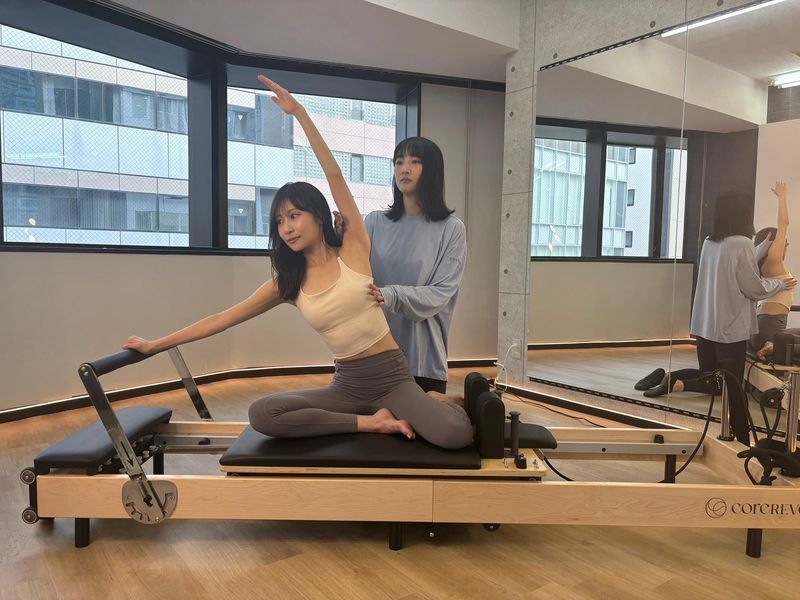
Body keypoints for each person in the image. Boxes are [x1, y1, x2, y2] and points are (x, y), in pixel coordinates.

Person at [123, 75, 473, 450]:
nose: (286, 228)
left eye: (294, 216)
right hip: (347, 386)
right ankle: (372, 422)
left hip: (391, 378)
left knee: (456, 435)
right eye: (279, 221)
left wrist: (300, 114)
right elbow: (221, 319)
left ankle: (438, 401)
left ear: (318, 216)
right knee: (263, 413)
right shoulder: (288, 284)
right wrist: (155, 345)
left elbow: (334, 174)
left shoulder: (354, 249)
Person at [635, 189, 796, 397]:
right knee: (728, 383)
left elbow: (734, 264)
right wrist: (779, 284)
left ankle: (664, 376)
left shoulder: (710, 242)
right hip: (729, 327)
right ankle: (675, 384)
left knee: (708, 374)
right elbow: (753, 288)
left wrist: (764, 246)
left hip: (706, 323)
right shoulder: (743, 243)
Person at [358, 137, 466, 395]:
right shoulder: (373, 222)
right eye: (399, 162)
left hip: (422, 359)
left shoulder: (451, 229)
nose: (404, 169)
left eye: (415, 161)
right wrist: (343, 239)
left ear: (432, 170)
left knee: (421, 421)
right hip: (372, 353)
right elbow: (354, 277)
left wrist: (390, 294)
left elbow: (439, 293)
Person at [750, 182, 799, 361]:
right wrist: (782, 196)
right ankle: (772, 347)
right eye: (783, 242)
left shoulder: (764, 266)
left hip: (764, 327)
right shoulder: (772, 263)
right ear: (772, 243)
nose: (787, 245)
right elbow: (784, 223)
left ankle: (773, 345)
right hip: (769, 328)